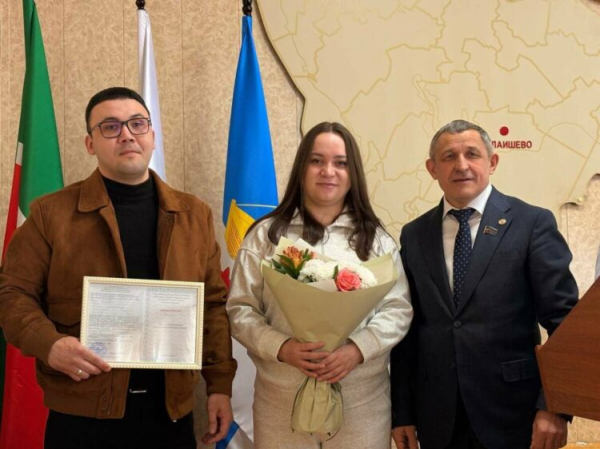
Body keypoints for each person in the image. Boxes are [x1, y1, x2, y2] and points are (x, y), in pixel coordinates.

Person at [0, 87, 236, 449]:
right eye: (110, 127)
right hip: (82, 412)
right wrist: (50, 344)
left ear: (152, 135)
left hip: (170, 412)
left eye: (137, 124)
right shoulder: (50, 214)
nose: (127, 134)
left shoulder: (194, 215)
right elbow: (12, 293)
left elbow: (212, 306)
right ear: (90, 144)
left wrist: (219, 386)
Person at [391, 119, 579, 449]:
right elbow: (406, 328)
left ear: (492, 162)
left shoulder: (532, 223)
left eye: (472, 154)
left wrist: (555, 406)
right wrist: (402, 412)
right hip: (437, 419)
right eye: (449, 156)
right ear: (432, 169)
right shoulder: (415, 234)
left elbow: (566, 324)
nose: (461, 165)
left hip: (516, 416)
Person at [227, 121, 413, 448]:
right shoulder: (266, 237)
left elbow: (398, 310)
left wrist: (358, 349)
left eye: (340, 163)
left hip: (361, 406)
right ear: (301, 168)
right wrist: (282, 347)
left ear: (353, 173)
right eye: (316, 161)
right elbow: (241, 309)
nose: (328, 171)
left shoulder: (377, 241)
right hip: (280, 404)